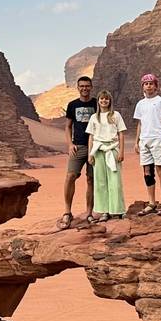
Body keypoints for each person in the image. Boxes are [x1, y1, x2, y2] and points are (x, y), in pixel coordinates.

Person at [58, 76, 97, 229]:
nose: (84, 88)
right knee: (70, 176)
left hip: (94, 147)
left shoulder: (97, 103)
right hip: (78, 146)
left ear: (91, 87)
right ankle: (67, 212)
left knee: (91, 179)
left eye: (87, 86)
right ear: (78, 87)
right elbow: (67, 126)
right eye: (82, 86)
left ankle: (89, 213)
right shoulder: (72, 105)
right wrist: (70, 144)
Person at [133, 73, 161, 216]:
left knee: (160, 170)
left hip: (158, 139)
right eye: (146, 83)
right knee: (147, 173)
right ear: (142, 86)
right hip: (145, 141)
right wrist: (136, 141)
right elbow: (140, 123)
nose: (148, 86)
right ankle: (151, 202)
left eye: (151, 83)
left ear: (156, 86)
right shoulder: (140, 104)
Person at [85, 90, 127, 220]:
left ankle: (118, 209)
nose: (104, 101)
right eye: (102, 99)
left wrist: (121, 151)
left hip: (112, 149)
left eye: (106, 99)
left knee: (115, 181)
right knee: (100, 181)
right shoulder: (94, 118)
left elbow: (121, 134)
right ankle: (104, 211)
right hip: (98, 150)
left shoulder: (116, 115)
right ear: (98, 101)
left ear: (110, 101)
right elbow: (91, 137)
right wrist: (90, 154)